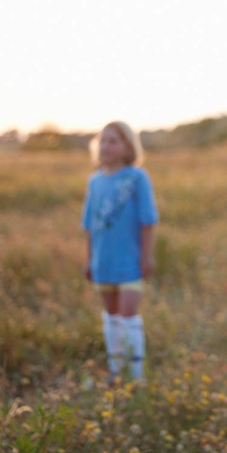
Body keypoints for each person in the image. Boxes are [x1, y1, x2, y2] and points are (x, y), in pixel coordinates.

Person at [82, 121, 158, 384]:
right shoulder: (94, 182)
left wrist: (146, 256)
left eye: (113, 141)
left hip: (129, 263)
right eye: (102, 141)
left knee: (128, 316)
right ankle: (116, 373)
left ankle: (136, 378)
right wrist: (90, 260)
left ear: (127, 147)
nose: (105, 146)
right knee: (111, 317)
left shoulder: (137, 178)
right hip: (103, 262)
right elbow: (89, 226)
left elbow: (148, 220)